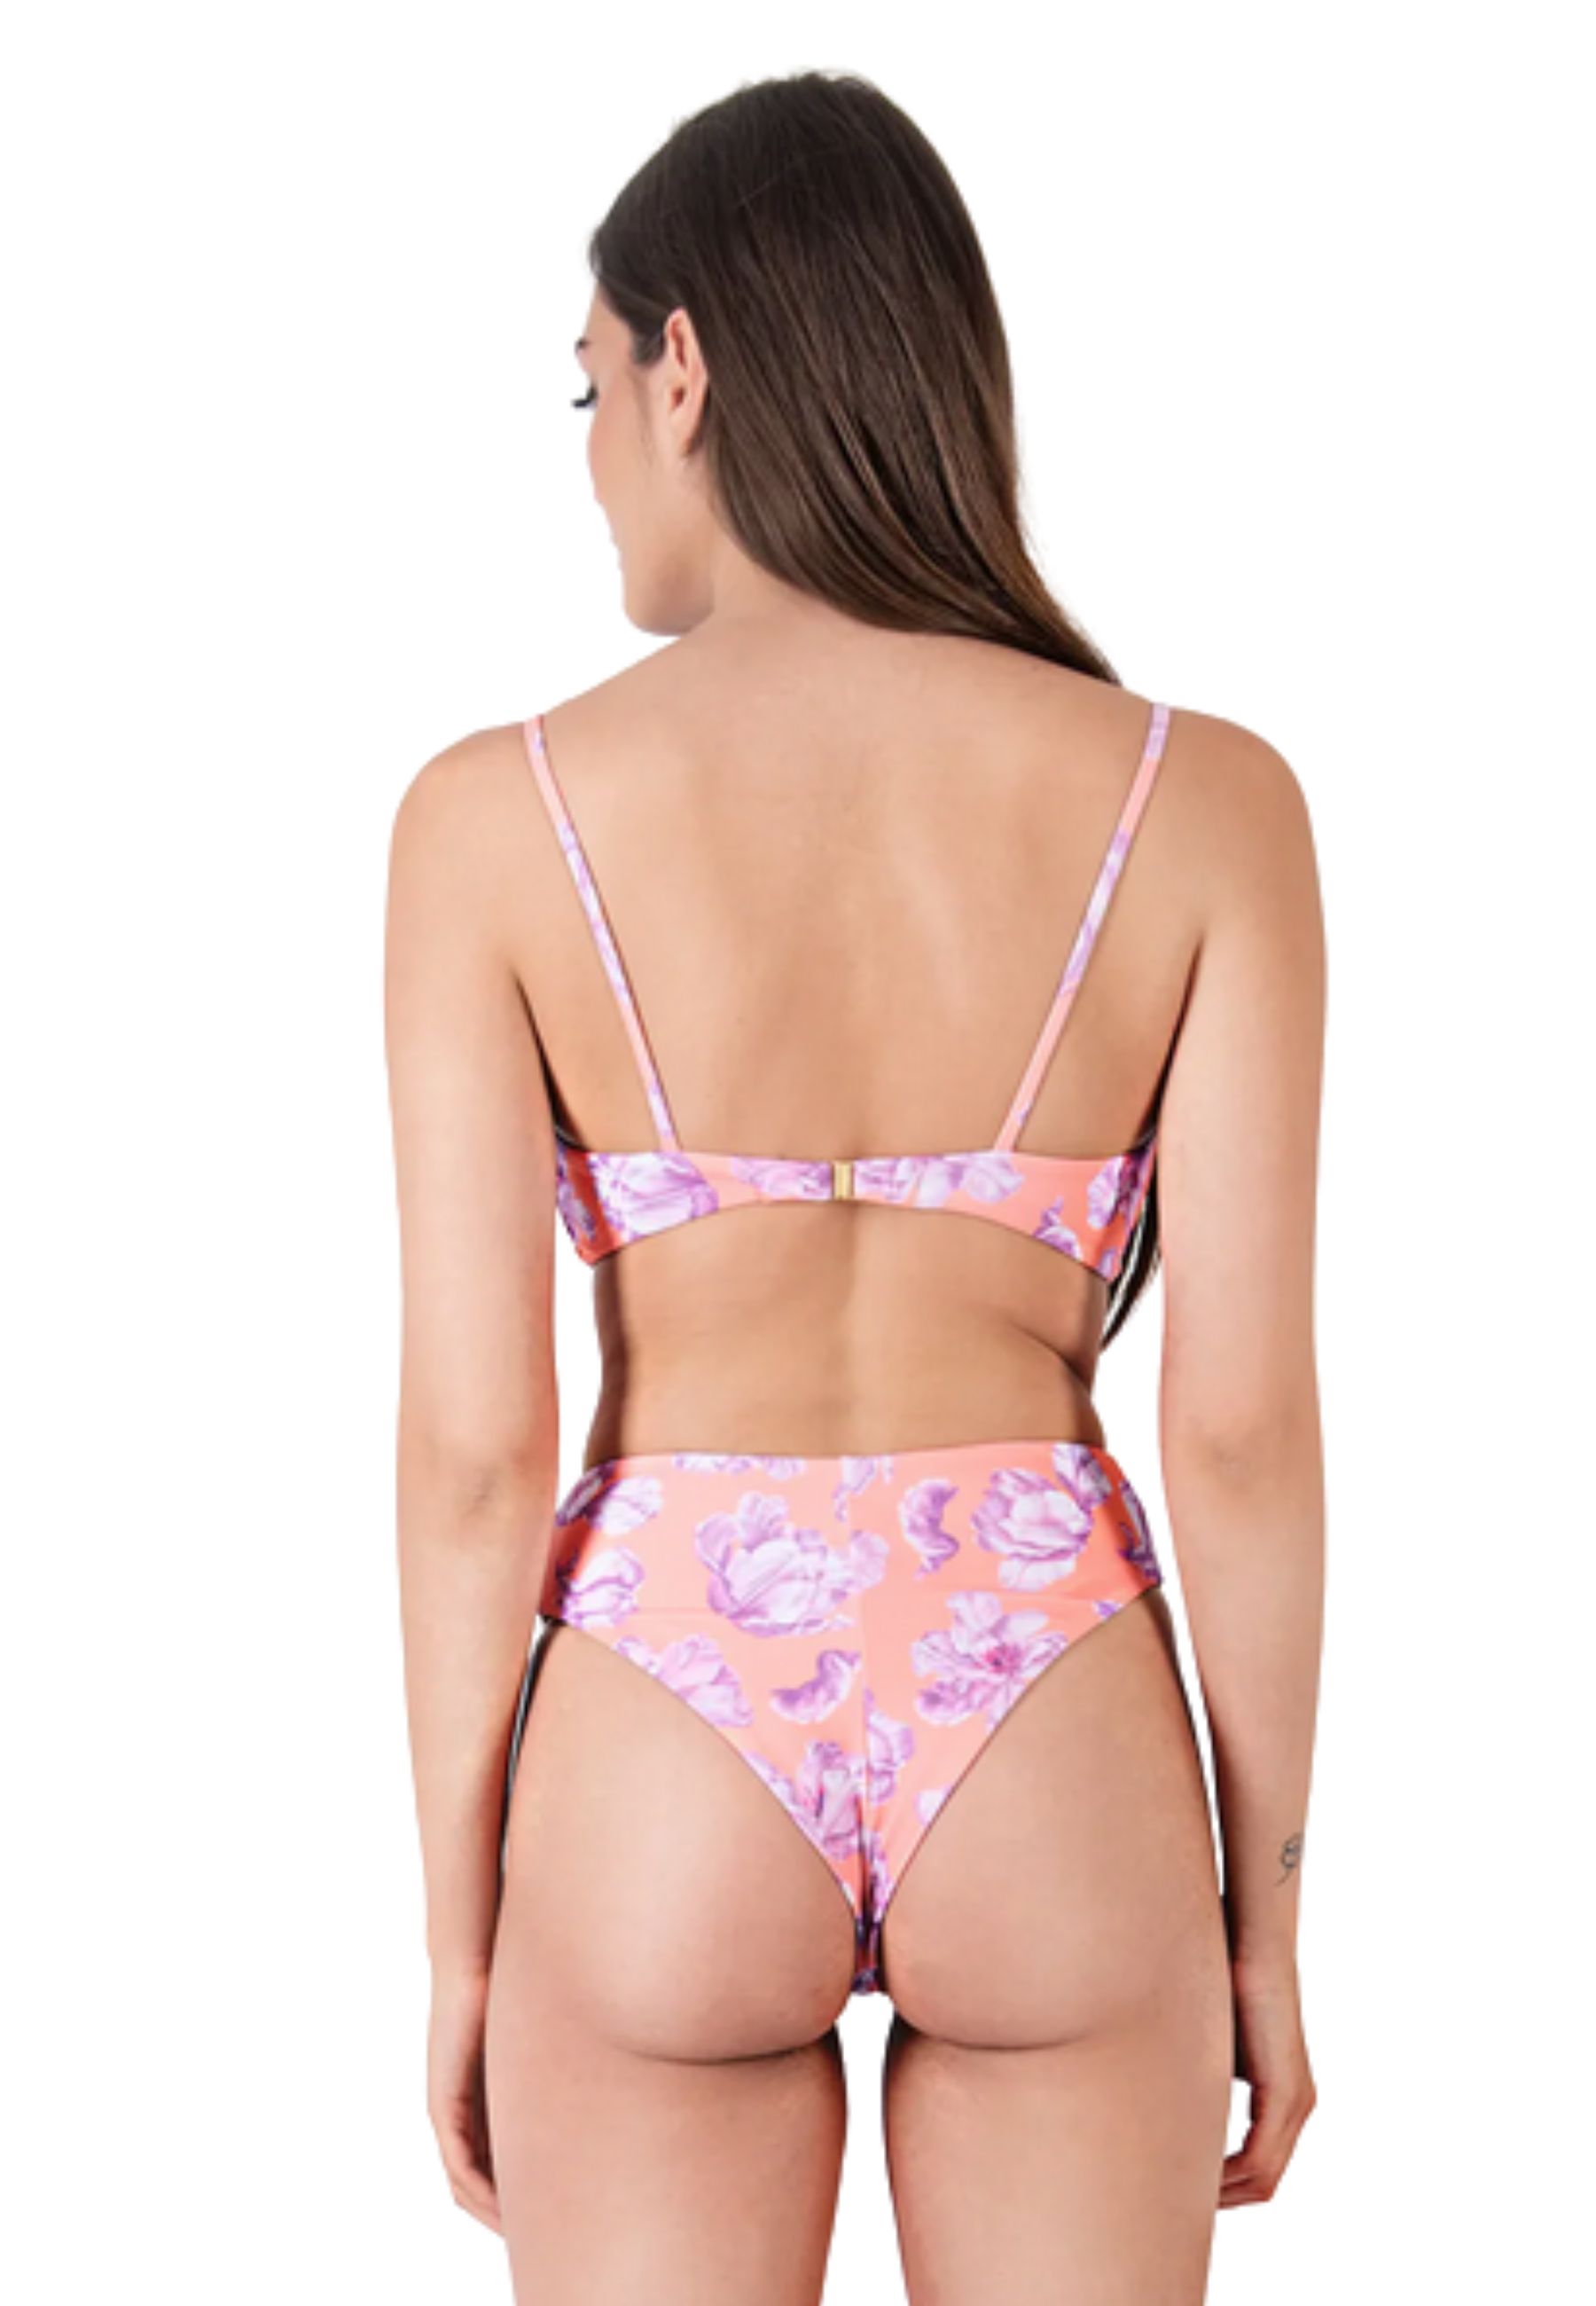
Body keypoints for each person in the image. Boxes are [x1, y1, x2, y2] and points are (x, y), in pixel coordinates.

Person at [384, 68, 1325, 2306]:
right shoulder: (1204, 806)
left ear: (684, 368)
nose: (591, 455)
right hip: (1052, 1708)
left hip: (663, 1717)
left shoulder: (495, 821)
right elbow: (1238, 1435)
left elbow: (478, 1453)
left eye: (589, 386)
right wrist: (1266, 1921)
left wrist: (464, 1936)